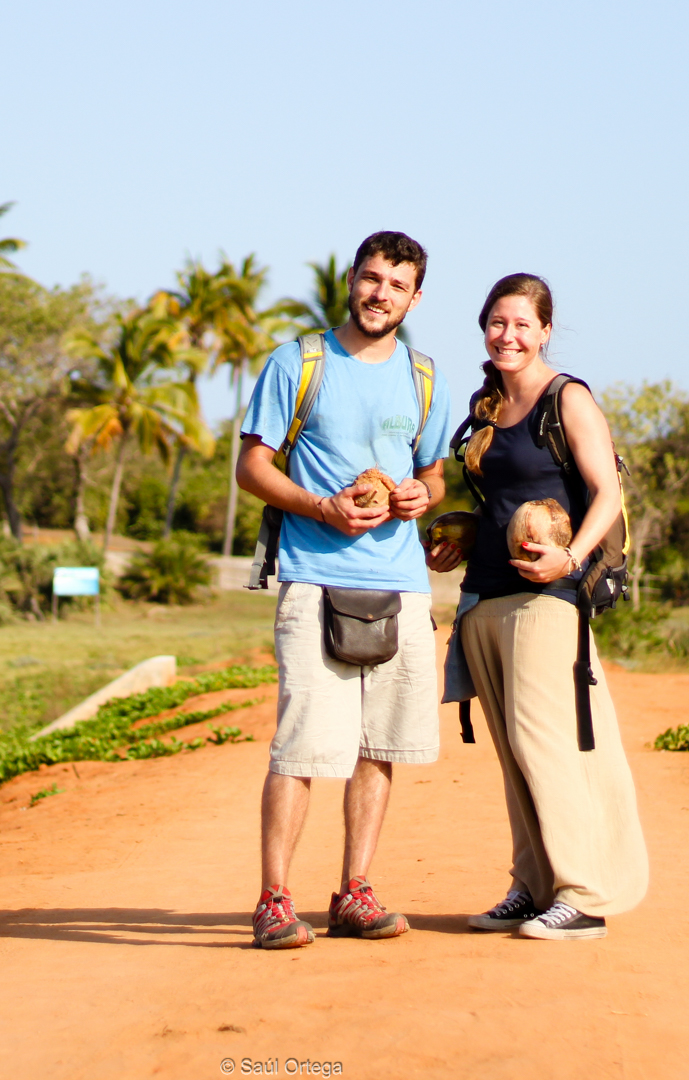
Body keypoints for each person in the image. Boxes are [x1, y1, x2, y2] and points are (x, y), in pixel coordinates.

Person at [236, 231, 454, 949]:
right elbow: (251, 467)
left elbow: (433, 473)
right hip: (314, 578)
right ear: (352, 281)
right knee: (300, 744)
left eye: (396, 285)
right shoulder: (298, 362)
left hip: (402, 585)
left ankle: (354, 892)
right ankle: (274, 899)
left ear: (414, 298)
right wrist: (321, 507)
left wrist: (421, 494)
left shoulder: (423, 376)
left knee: (378, 745)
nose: (379, 294)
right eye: (371, 278)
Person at [426, 273, 649, 940]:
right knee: (512, 752)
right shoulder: (486, 406)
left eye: (522, 324)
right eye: (498, 322)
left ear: (545, 330)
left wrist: (570, 558)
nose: (508, 335)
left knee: (545, 744)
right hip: (484, 597)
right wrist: (461, 540)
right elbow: (496, 502)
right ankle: (532, 885)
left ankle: (582, 894)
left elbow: (606, 492)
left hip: (548, 596)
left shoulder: (566, 398)